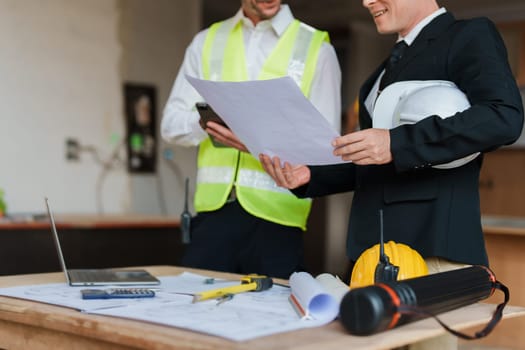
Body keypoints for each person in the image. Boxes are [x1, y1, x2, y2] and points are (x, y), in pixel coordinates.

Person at [261, 0, 523, 324]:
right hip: (371, 254)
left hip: (432, 250)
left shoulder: (468, 35)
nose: (367, 1)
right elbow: (376, 161)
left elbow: (503, 117)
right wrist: (309, 176)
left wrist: (395, 142)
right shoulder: (381, 72)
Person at [161, 0, 341, 279]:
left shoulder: (318, 49)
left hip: (279, 221)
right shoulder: (205, 41)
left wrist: (256, 143)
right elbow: (170, 126)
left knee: (274, 318)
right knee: (194, 313)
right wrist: (207, 120)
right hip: (213, 218)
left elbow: (325, 152)